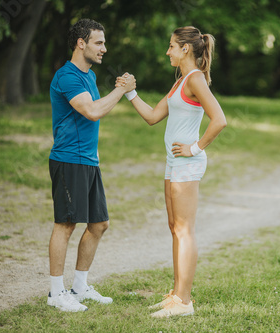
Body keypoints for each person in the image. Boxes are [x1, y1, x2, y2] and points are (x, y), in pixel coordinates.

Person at [116, 26, 227, 318]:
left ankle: (184, 302)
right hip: (173, 162)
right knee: (174, 227)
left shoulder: (196, 79)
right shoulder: (181, 81)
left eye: (171, 47)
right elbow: (153, 116)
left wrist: (195, 147)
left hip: (187, 163)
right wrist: (131, 93)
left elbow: (220, 120)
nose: (168, 52)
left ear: (185, 49)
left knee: (184, 230)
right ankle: (176, 295)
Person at [47, 18, 136, 312]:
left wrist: (117, 92)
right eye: (99, 43)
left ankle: (80, 287)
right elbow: (93, 111)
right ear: (80, 43)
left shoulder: (90, 77)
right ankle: (56, 294)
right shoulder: (67, 76)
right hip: (68, 159)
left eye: (104, 43)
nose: (104, 49)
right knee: (67, 223)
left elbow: (97, 110)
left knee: (99, 224)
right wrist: (122, 91)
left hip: (88, 161)